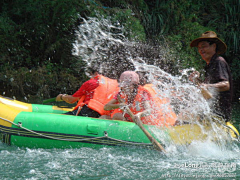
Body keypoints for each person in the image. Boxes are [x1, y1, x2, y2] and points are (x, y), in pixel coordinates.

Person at [189, 31, 233, 122]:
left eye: (204, 46)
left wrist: (207, 86)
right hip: (209, 111)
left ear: (214, 46)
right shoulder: (209, 65)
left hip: (219, 114)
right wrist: (196, 79)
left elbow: (226, 85)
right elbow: (206, 90)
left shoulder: (219, 61)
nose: (201, 50)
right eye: (199, 48)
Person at [104, 71, 175, 126]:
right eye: (124, 86)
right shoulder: (120, 93)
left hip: (143, 123)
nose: (126, 88)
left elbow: (149, 110)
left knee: (117, 116)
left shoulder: (143, 94)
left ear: (134, 85)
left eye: (128, 86)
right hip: (130, 121)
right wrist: (119, 105)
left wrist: (140, 114)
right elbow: (106, 107)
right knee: (107, 117)